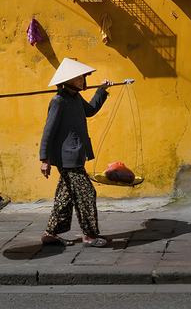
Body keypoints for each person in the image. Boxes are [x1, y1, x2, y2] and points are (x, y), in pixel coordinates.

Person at [39, 58, 114, 247]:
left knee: (65, 197)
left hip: (77, 155)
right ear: (68, 81)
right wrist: (45, 159)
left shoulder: (76, 98)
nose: (82, 81)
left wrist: (102, 91)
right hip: (67, 158)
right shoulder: (58, 101)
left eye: (82, 78)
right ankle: (89, 236)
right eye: (78, 78)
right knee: (87, 193)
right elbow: (48, 131)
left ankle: (50, 233)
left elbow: (90, 110)